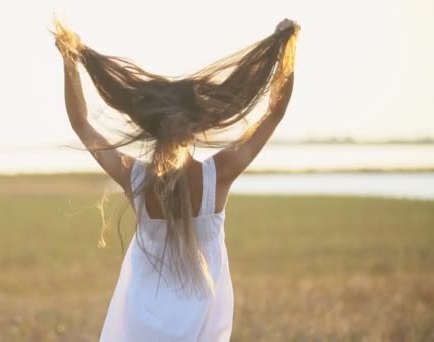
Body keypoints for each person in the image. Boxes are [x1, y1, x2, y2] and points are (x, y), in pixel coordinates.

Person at [53, 18, 299, 342]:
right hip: (198, 327)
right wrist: (286, 48)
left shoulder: (136, 176)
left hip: (142, 323)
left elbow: (81, 124)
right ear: (198, 122)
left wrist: (70, 61)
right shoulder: (218, 173)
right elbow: (275, 112)